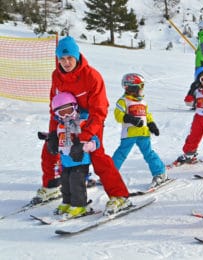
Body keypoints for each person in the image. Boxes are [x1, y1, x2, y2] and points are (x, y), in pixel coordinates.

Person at [33, 36, 131, 216]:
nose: (66, 62)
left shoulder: (92, 76)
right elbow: (53, 106)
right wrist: (54, 133)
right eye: (62, 59)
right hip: (65, 119)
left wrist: (85, 136)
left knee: (97, 155)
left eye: (69, 57)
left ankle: (120, 195)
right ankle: (52, 185)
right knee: (50, 150)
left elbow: (99, 110)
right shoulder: (57, 75)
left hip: (89, 120)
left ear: (77, 56)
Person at [112, 73, 167, 188]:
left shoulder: (143, 101)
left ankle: (160, 173)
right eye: (140, 86)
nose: (142, 90)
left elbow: (147, 115)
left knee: (149, 153)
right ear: (133, 88)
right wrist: (131, 119)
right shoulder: (123, 101)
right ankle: (109, 174)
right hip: (129, 134)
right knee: (121, 154)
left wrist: (152, 124)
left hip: (143, 133)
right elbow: (118, 115)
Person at [50, 92, 99, 218]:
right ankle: (67, 201)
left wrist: (83, 146)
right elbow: (58, 139)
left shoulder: (81, 123)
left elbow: (95, 141)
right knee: (65, 182)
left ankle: (79, 205)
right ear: (56, 114)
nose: (66, 115)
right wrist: (50, 140)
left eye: (69, 110)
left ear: (75, 107)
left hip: (80, 160)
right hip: (66, 160)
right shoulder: (60, 126)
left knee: (76, 182)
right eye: (62, 112)